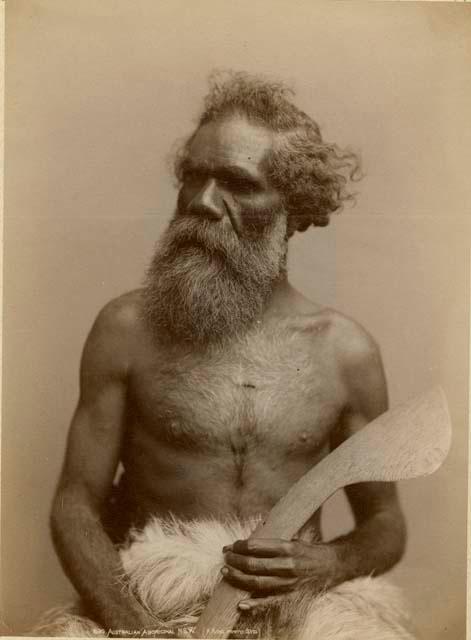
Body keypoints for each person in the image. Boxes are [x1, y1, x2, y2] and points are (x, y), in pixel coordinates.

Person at [44, 71, 408, 637]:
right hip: (150, 600)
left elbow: (384, 524)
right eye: (193, 175)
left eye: (237, 182)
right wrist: (130, 623)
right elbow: (75, 503)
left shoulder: (346, 352)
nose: (203, 203)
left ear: (298, 209)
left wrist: (331, 563)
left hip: (297, 612)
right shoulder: (125, 328)